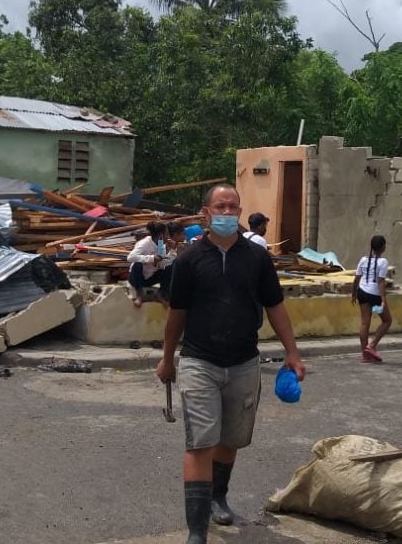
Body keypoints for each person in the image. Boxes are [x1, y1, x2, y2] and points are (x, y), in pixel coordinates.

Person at [156, 184, 304, 543]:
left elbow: (275, 306)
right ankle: (196, 532)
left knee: (230, 440)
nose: (226, 212)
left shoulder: (256, 258)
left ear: (239, 211)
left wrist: (292, 352)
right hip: (199, 360)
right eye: (219, 206)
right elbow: (177, 313)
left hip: (244, 361)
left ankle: (218, 497)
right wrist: (167, 359)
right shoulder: (190, 259)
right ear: (205, 213)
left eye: (232, 206)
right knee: (200, 443)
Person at [352, 235, 393, 363]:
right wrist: (383, 299)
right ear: (383, 247)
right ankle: (372, 345)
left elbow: (357, 278)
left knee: (365, 323)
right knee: (386, 320)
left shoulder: (363, 260)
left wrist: (353, 294)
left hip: (362, 293)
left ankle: (365, 354)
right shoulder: (383, 262)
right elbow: (380, 282)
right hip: (375, 295)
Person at [127, 221, 174, 307]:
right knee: (138, 264)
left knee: (171, 266)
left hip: (150, 278)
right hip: (137, 279)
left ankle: (161, 294)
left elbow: (161, 264)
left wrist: (169, 251)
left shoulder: (160, 244)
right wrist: (151, 258)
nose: (168, 237)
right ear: (161, 234)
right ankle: (139, 294)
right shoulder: (144, 243)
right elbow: (130, 257)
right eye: (166, 234)